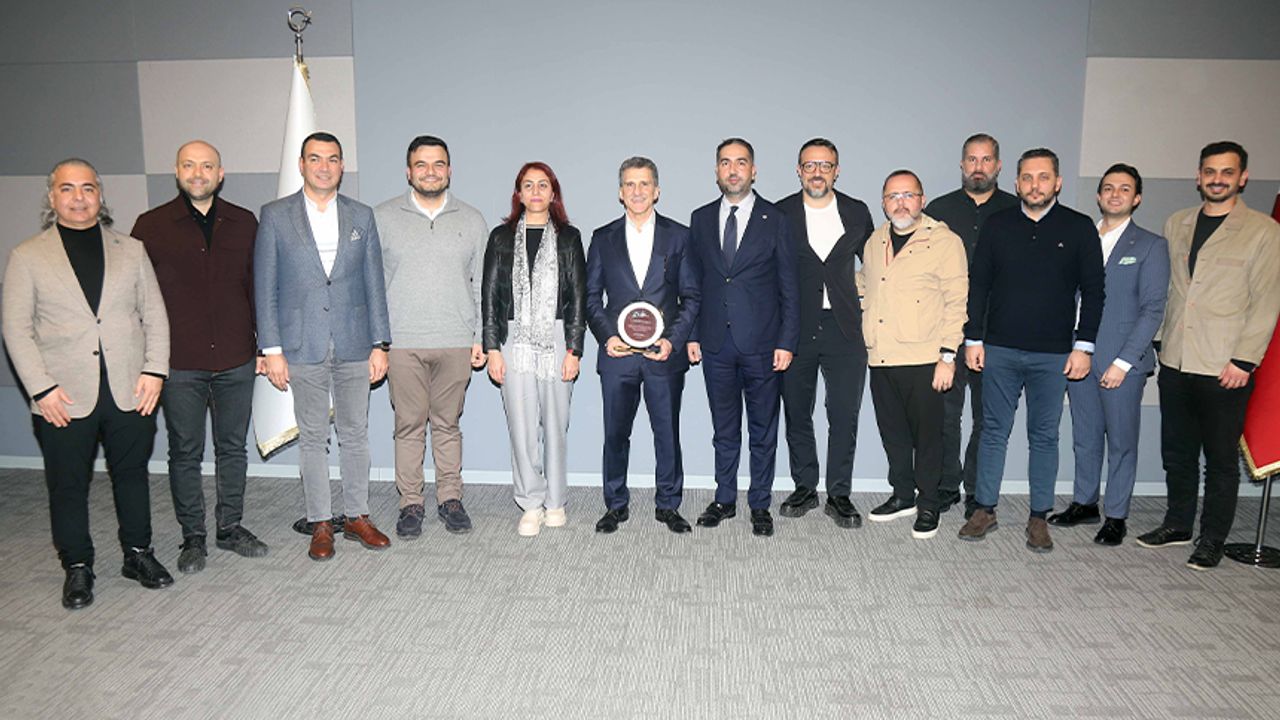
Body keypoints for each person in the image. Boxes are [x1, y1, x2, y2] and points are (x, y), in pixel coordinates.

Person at [3, 158, 172, 609]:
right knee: (67, 485)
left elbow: (155, 315)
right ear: (52, 196)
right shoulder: (27, 256)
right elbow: (16, 329)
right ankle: (77, 565)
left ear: (100, 194)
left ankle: (138, 553)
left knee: (132, 476)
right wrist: (41, 389)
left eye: (87, 188)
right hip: (61, 395)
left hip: (130, 389)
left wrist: (155, 371)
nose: (78, 198)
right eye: (67, 189)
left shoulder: (131, 250)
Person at [1137, 141, 1280, 570]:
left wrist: (1244, 360)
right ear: (1199, 176)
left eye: (1227, 172)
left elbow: (1267, 302)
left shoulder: (1263, 232)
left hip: (1225, 366)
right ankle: (1178, 524)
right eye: (1210, 171)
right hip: (1176, 359)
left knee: (1219, 461)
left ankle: (1212, 539)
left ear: (1242, 178)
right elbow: (1168, 289)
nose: (1217, 179)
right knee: (1177, 453)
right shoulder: (1177, 222)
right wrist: (1160, 341)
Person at [958, 148, 1104, 554]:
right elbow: (978, 285)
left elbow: (1094, 292)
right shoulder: (998, 225)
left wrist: (1084, 347)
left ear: (1058, 182)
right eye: (1027, 177)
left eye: (1043, 177)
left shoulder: (1079, 228)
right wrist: (973, 338)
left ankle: (1039, 516)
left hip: (1054, 354)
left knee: (1044, 436)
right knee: (992, 432)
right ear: (1016, 182)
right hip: (999, 350)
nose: (1034, 185)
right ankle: (984, 509)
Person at [254, 132, 392, 561]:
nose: (324, 166)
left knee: (355, 434)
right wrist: (271, 349)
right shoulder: (275, 215)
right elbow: (265, 287)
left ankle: (356, 516)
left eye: (332, 159)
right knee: (313, 437)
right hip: (301, 344)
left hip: (355, 342)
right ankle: (320, 522)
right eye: (315, 158)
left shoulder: (361, 215)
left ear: (341, 165)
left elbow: (374, 283)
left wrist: (380, 343)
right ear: (301, 164)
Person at [131, 140, 268, 574]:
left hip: (236, 357)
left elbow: (258, 289)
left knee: (232, 448)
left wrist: (264, 347)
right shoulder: (150, 226)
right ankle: (193, 536)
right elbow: (136, 299)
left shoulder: (244, 223)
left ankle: (230, 527)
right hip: (179, 362)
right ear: (177, 172)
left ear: (220, 174)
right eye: (189, 165)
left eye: (207, 166)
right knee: (185, 451)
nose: (198, 173)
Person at [1048, 164, 1168, 546]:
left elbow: (1153, 309)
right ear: (1099, 195)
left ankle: (1116, 515)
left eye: (1124, 189)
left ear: (1137, 198)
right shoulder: (1079, 238)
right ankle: (1085, 502)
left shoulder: (1150, 245)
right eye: (1109, 188)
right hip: (1079, 354)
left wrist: (1123, 362)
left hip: (1121, 361)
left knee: (1121, 441)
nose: (1115, 194)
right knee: (1084, 436)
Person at [374, 136, 488, 538]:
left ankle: (450, 498)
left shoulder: (471, 220)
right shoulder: (383, 218)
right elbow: (373, 286)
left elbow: (481, 285)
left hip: (456, 341)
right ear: (409, 172)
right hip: (401, 342)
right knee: (408, 425)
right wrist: (377, 342)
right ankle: (410, 502)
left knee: (447, 424)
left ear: (449, 170)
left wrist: (480, 336)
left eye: (438, 164)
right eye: (421, 165)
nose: (430, 172)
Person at [686, 138, 799, 537]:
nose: (733, 170)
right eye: (725, 163)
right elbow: (694, 283)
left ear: (754, 170)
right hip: (715, 342)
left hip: (764, 346)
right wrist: (693, 334)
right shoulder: (700, 219)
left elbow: (789, 286)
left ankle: (760, 503)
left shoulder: (776, 219)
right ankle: (724, 499)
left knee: (763, 430)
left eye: (741, 162)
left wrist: (787, 341)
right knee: (724, 429)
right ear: (716, 171)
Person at [585, 156, 701, 534]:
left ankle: (668, 505)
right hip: (617, 357)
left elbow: (691, 296)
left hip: (663, 357)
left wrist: (673, 341)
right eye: (630, 184)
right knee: (615, 434)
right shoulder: (602, 238)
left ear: (657, 190)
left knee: (667, 434)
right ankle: (615, 505)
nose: (637, 191)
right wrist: (608, 336)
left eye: (644, 184)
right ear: (621, 192)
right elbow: (590, 297)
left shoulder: (679, 236)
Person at [858, 170, 967, 539]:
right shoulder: (875, 241)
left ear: (922, 199)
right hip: (881, 356)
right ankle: (903, 495)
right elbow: (866, 284)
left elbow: (957, 302)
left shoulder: (945, 242)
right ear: (883, 203)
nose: (900, 203)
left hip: (925, 359)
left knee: (929, 437)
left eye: (908, 195)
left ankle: (929, 503)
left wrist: (948, 357)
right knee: (894, 434)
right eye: (893, 196)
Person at [482, 162, 587, 537]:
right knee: (522, 426)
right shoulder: (501, 238)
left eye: (543, 185)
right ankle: (530, 503)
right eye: (529, 185)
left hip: (557, 337)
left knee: (556, 425)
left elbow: (579, 295)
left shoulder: (569, 238)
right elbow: (490, 295)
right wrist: (492, 348)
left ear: (553, 192)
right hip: (514, 339)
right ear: (519, 193)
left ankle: (555, 501)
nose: (536, 191)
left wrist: (574, 349)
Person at [776, 138, 874, 529]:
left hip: (845, 328)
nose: (817, 172)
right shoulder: (780, 213)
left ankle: (839, 494)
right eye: (810, 165)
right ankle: (805, 487)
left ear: (837, 171)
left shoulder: (856, 211)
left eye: (825, 165)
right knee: (797, 412)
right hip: (795, 328)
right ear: (799, 170)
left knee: (844, 414)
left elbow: (878, 265)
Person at [925, 133, 1020, 517]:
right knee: (944, 416)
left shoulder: (1016, 211)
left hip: (997, 333)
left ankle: (977, 491)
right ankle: (946, 485)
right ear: (962, 164)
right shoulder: (938, 210)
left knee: (988, 417)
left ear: (998, 165)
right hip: (946, 332)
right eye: (972, 159)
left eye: (986, 160)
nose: (978, 167)